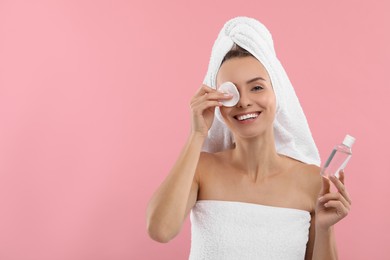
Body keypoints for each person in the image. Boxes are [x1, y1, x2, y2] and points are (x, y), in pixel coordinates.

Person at [146, 17, 351, 260]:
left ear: (278, 94)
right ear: (218, 102)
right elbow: (160, 230)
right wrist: (197, 134)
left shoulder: (311, 181)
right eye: (230, 92)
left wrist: (325, 228)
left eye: (257, 88)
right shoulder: (202, 170)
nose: (244, 102)